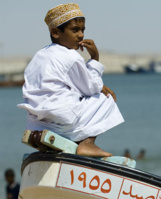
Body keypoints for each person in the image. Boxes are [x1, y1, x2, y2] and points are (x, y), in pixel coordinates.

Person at [17, 3, 124, 157]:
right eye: (75, 30)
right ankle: (87, 144)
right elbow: (91, 87)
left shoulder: (39, 56)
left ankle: (67, 142)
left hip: (36, 124)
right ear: (55, 32)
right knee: (106, 98)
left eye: (82, 30)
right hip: (62, 120)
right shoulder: (71, 56)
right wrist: (95, 58)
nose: (80, 35)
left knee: (77, 97)